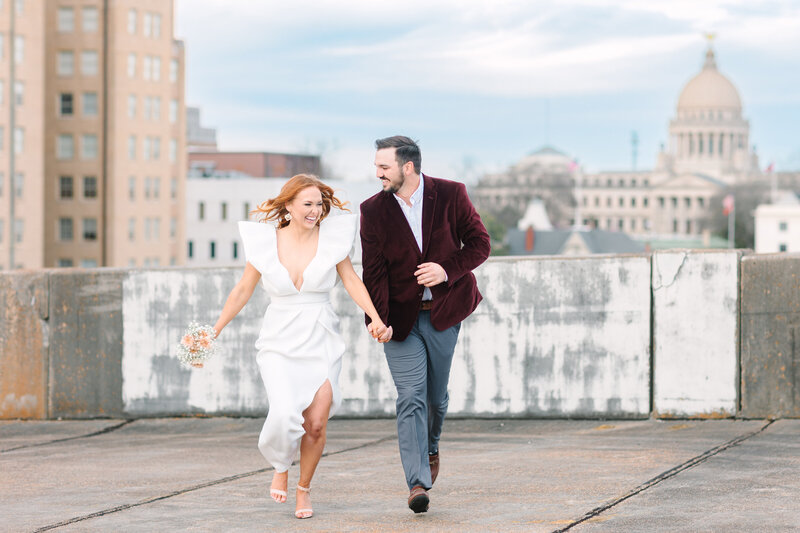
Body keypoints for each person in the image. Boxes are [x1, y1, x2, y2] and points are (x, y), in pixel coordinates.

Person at [201, 174, 389, 519]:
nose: (315, 210)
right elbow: (243, 289)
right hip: (279, 339)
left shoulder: (332, 239)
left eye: (319, 204)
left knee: (316, 422)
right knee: (286, 411)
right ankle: (279, 464)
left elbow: (351, 279)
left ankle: (303, 488)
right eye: (307, 204)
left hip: (321, 334)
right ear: (288, 205)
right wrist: (214, 330)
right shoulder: (264, 242)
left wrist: (375, 318)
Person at [360, 136, 491, 513]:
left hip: (444, 313)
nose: (378, 174)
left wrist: (445, 270)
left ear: (407, 167)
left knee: (435, 398)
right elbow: (373, 273)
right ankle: (417, 481)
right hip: (398, 321)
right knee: (410, 397)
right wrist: (375, 319)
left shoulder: (451, 194)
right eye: (376, 167)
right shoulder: (373, 210)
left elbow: (480, 244)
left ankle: (432, 446)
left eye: (384, 167)